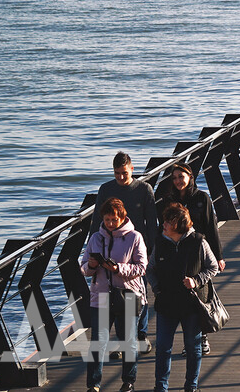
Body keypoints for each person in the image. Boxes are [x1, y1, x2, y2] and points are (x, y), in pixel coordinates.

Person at [154, 162, 226, 356]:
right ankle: (190, 338)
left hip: (200, 250)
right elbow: (163, 227)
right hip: (176, 250)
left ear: (190, 177)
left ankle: (201, 336)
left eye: (181, 176)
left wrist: (218, 256)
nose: (178, 181)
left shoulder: (202, 198)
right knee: (181, 295)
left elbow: (212, 227)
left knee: (202, 294)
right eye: (175, 178)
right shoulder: (168, 201)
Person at [146, 203, 219, 392]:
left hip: (192, 304)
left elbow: (213, 267)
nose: (164, 224)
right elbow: (150, 269)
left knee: (193, 346)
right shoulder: (160, 242)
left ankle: (191, 386)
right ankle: (161, 387)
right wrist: (157, 289)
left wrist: (196, 281)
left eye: (168, 222)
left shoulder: (198, 241)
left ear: (179, 224)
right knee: (162, 347)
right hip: (166, 303)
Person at [91, 151, 157, 354]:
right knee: (114, 295)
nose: (121, 177)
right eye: (117, 173)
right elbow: (96, 220)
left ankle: (140, 334)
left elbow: (152, 222)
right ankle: (121, 340)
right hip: (110, 248)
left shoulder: (144, 189)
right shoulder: (106, 189)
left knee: (139, 291)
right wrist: (93, 248)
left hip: (137, 247)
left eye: (124, 173)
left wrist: (153, 250)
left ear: (132, 169)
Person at [81, 198, 147, 392]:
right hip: (100, 295)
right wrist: (91, 266)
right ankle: (93, 385)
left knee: (128, 341)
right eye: (107, 219)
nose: (110, 223)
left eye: (114, 219)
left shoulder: (135, 237)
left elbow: (142, 267)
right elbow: (83, 268)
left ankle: (129, 381)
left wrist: (118, 268)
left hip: (127, 294)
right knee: (97, 342)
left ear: (122, 217)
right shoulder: (95, 238)